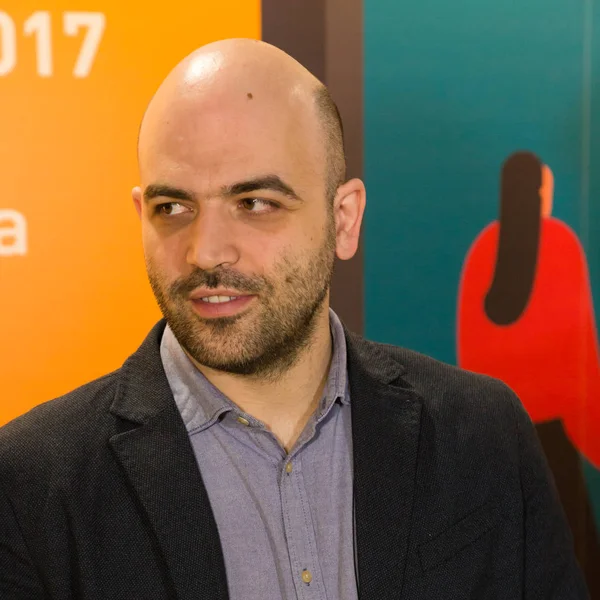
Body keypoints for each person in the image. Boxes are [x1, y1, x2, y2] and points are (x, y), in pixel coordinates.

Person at [0, 40, 588, 599]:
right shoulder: (33, 484)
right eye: (172, 207)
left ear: (344, 219)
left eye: (255, 203)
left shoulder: (483, 436)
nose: (205, 252)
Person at [457, 151, 600, 592]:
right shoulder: (560, 243)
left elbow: (467, 359)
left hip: (488, 441)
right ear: (539, 193)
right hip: (552, 443)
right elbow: (583, 366)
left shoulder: (483, 249)